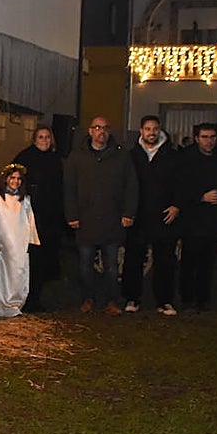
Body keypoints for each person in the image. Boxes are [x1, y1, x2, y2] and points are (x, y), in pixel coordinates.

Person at [64, 115, 138, 315]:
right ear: (90, 131)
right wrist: (71, 215)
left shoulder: (121, 156)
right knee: (85, 265)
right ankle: (88, 298)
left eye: (105, 128)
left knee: (112, 267)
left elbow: (131, 187)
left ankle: (112, 300)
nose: (101, 131)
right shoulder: (77, 156)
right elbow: (69, 188)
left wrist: (128, 212)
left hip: (112, 221)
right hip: (85, 221)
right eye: (97, 127)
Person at [122, 115, 181, 316]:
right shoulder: (131, 156)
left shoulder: (172, 156)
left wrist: (176, 205)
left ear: (160, 130)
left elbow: (182, 183)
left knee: (165, 260)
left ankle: (164, 301)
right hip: (138, 216)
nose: (151, 132)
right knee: (134, 259)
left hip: (165, 216)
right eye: (148, 129)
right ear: (141, 131)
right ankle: (132, 298)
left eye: (155, 129)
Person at [178, 123, 217, 312]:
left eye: (212, 137)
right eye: (204, 137)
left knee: (208, 264)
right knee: (189, 263)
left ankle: (203, 299)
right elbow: (179, 189)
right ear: (196, 138)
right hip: (192, 222)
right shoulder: (186, 160)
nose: (209, 141)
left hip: (214, 222)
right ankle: (187, 299)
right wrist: (201, 197)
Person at [12, 125, 64, 312]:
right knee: (28, 259)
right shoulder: (25, 158)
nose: (44, 140)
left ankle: (36, 297)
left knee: (44, 261)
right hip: (28, 216)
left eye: (47, 137)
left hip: (50, 218)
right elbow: (13, 182)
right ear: (34, 139)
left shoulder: (56, 160)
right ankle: (21, 298)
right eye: (40, 137)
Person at [0, 163, 39, 318]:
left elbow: (29, 220)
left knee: (17, 272)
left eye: (19, 179)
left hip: (18, 243)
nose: (16, 181)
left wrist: (31, 240)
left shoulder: (24, 200)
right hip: (1, 243)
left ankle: (13, 304)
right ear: (5, 179)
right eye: (12, 178)